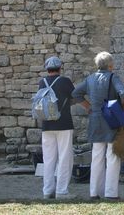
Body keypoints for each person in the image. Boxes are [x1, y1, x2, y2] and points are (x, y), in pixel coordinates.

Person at [73, 51, 124, 200]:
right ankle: (111, 193)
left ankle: (94, 192)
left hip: (95, 118)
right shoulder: (113, 77)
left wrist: (88, 106)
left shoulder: (90, 79)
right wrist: (122, 109)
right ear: (110, 65)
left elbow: (76, 93)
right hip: (111, 119)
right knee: (112, 156)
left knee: (97, 156)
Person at [39, 56, 76, 199]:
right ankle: (62, 191)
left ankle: (47, 190)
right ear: (60, 68)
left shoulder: (41, 82)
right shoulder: (65, 81)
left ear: (47, 68)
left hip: (46, 124)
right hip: (64, 123)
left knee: (48, 159)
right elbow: (73, 97)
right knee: (65, 157)